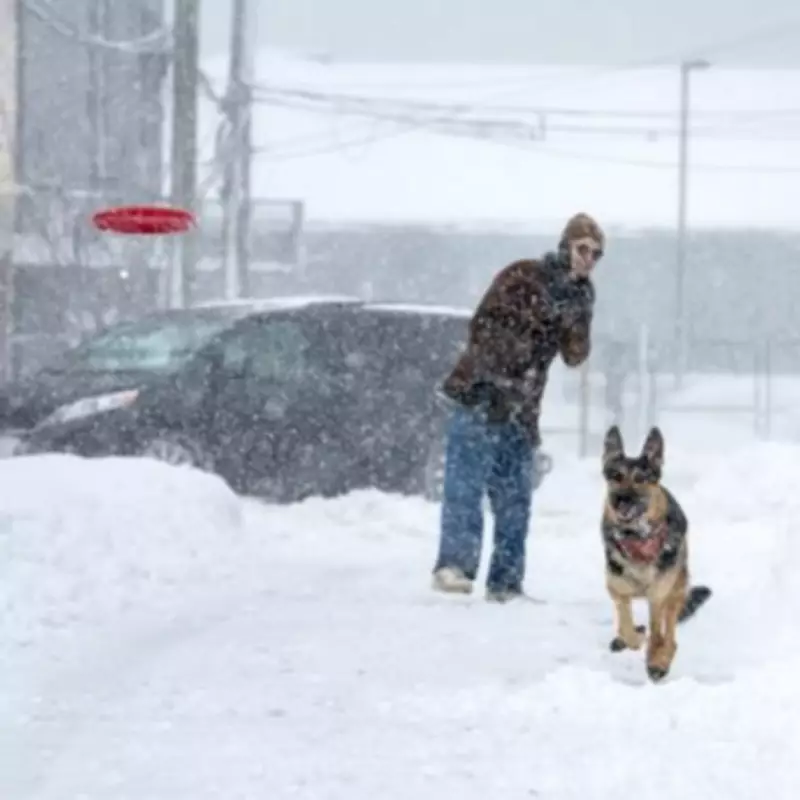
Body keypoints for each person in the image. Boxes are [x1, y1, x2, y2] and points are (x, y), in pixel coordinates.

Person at [431, 212, 604, 602]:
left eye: (596, 254)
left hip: (521, 411)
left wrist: (580, 310)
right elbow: (484, 327)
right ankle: (453, 566)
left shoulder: (577, 295)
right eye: (582, 249)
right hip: (481, 396)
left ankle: (506, 583)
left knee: (515, 499)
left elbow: (575, 356)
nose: (588, 259)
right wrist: (503, 373)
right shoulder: (523, 276)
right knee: (465, 486)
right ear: (566, 246)